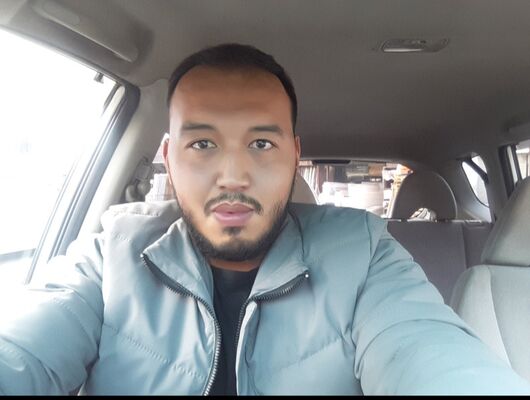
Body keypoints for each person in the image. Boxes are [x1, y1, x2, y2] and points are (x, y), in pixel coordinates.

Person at [0, 43, 529, 396]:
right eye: (202, 144)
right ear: (168, 157)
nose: (233, 176)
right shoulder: (109, 255)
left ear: (294, 155)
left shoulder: (365, 255)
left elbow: (431, 355)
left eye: (261, 144)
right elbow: (22, 352)